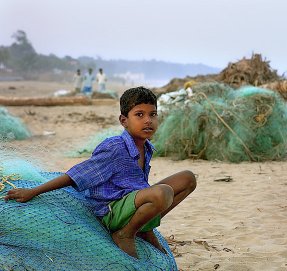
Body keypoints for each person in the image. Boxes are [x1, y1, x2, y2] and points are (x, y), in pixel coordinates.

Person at [4, 86, 197, 259]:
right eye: (139, 115)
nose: (148, 121)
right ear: (124, 121)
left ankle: (144, 227)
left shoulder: (145, 147)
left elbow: (137, 184)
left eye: (152, 114)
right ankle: (125, 233)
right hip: (112, 209)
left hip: (132, 201)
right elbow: (76, 175)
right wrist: (34, 191)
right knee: (162, 192)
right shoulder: (114, 147)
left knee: (187, 179)